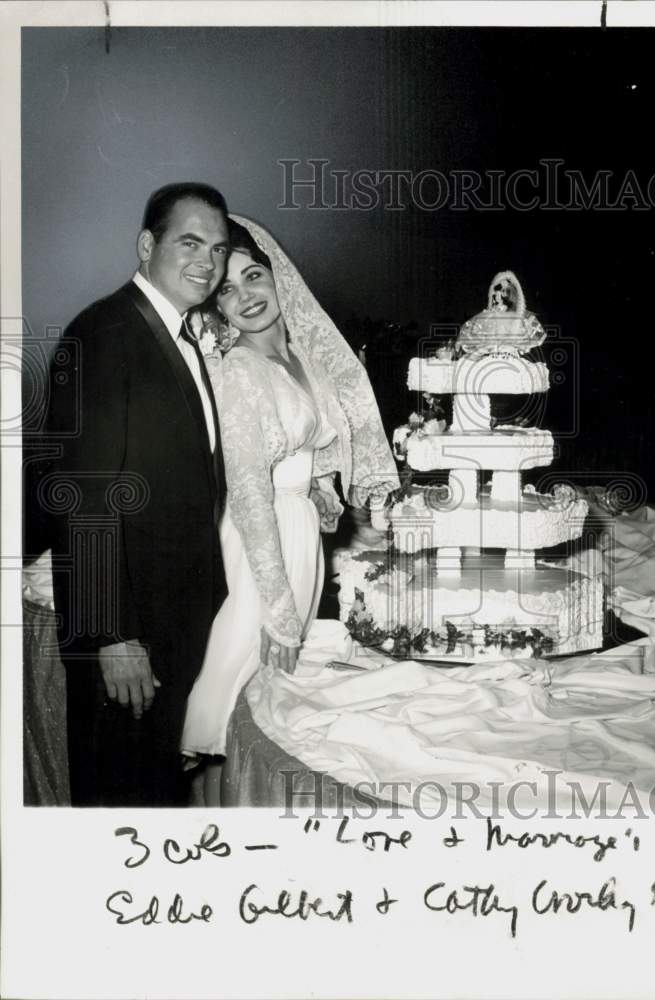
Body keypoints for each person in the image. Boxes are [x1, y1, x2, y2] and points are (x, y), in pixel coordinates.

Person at [181, 215, 398, 804]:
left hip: (300, 532)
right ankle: (206, 822)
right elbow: (249, 489)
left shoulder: (304, 358)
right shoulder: (239, 372)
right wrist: (274, 602)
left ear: (280, 279)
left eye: (253, 276)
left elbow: (314, 441)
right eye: (225, 289)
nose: (245, 296)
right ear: (215, 307)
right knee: (231, 687)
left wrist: (324, 490)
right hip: (258, 543)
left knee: (274, 696)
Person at [44, 183, 230, 806]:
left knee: (154, 794)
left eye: (219, 248)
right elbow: (83, 496)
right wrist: (111, 635)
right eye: (190, 241)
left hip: (171, 621)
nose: (208, 260)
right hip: (128, 637)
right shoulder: (105, 332)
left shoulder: (174, 333)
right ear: (147, 244)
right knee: (120, 805)